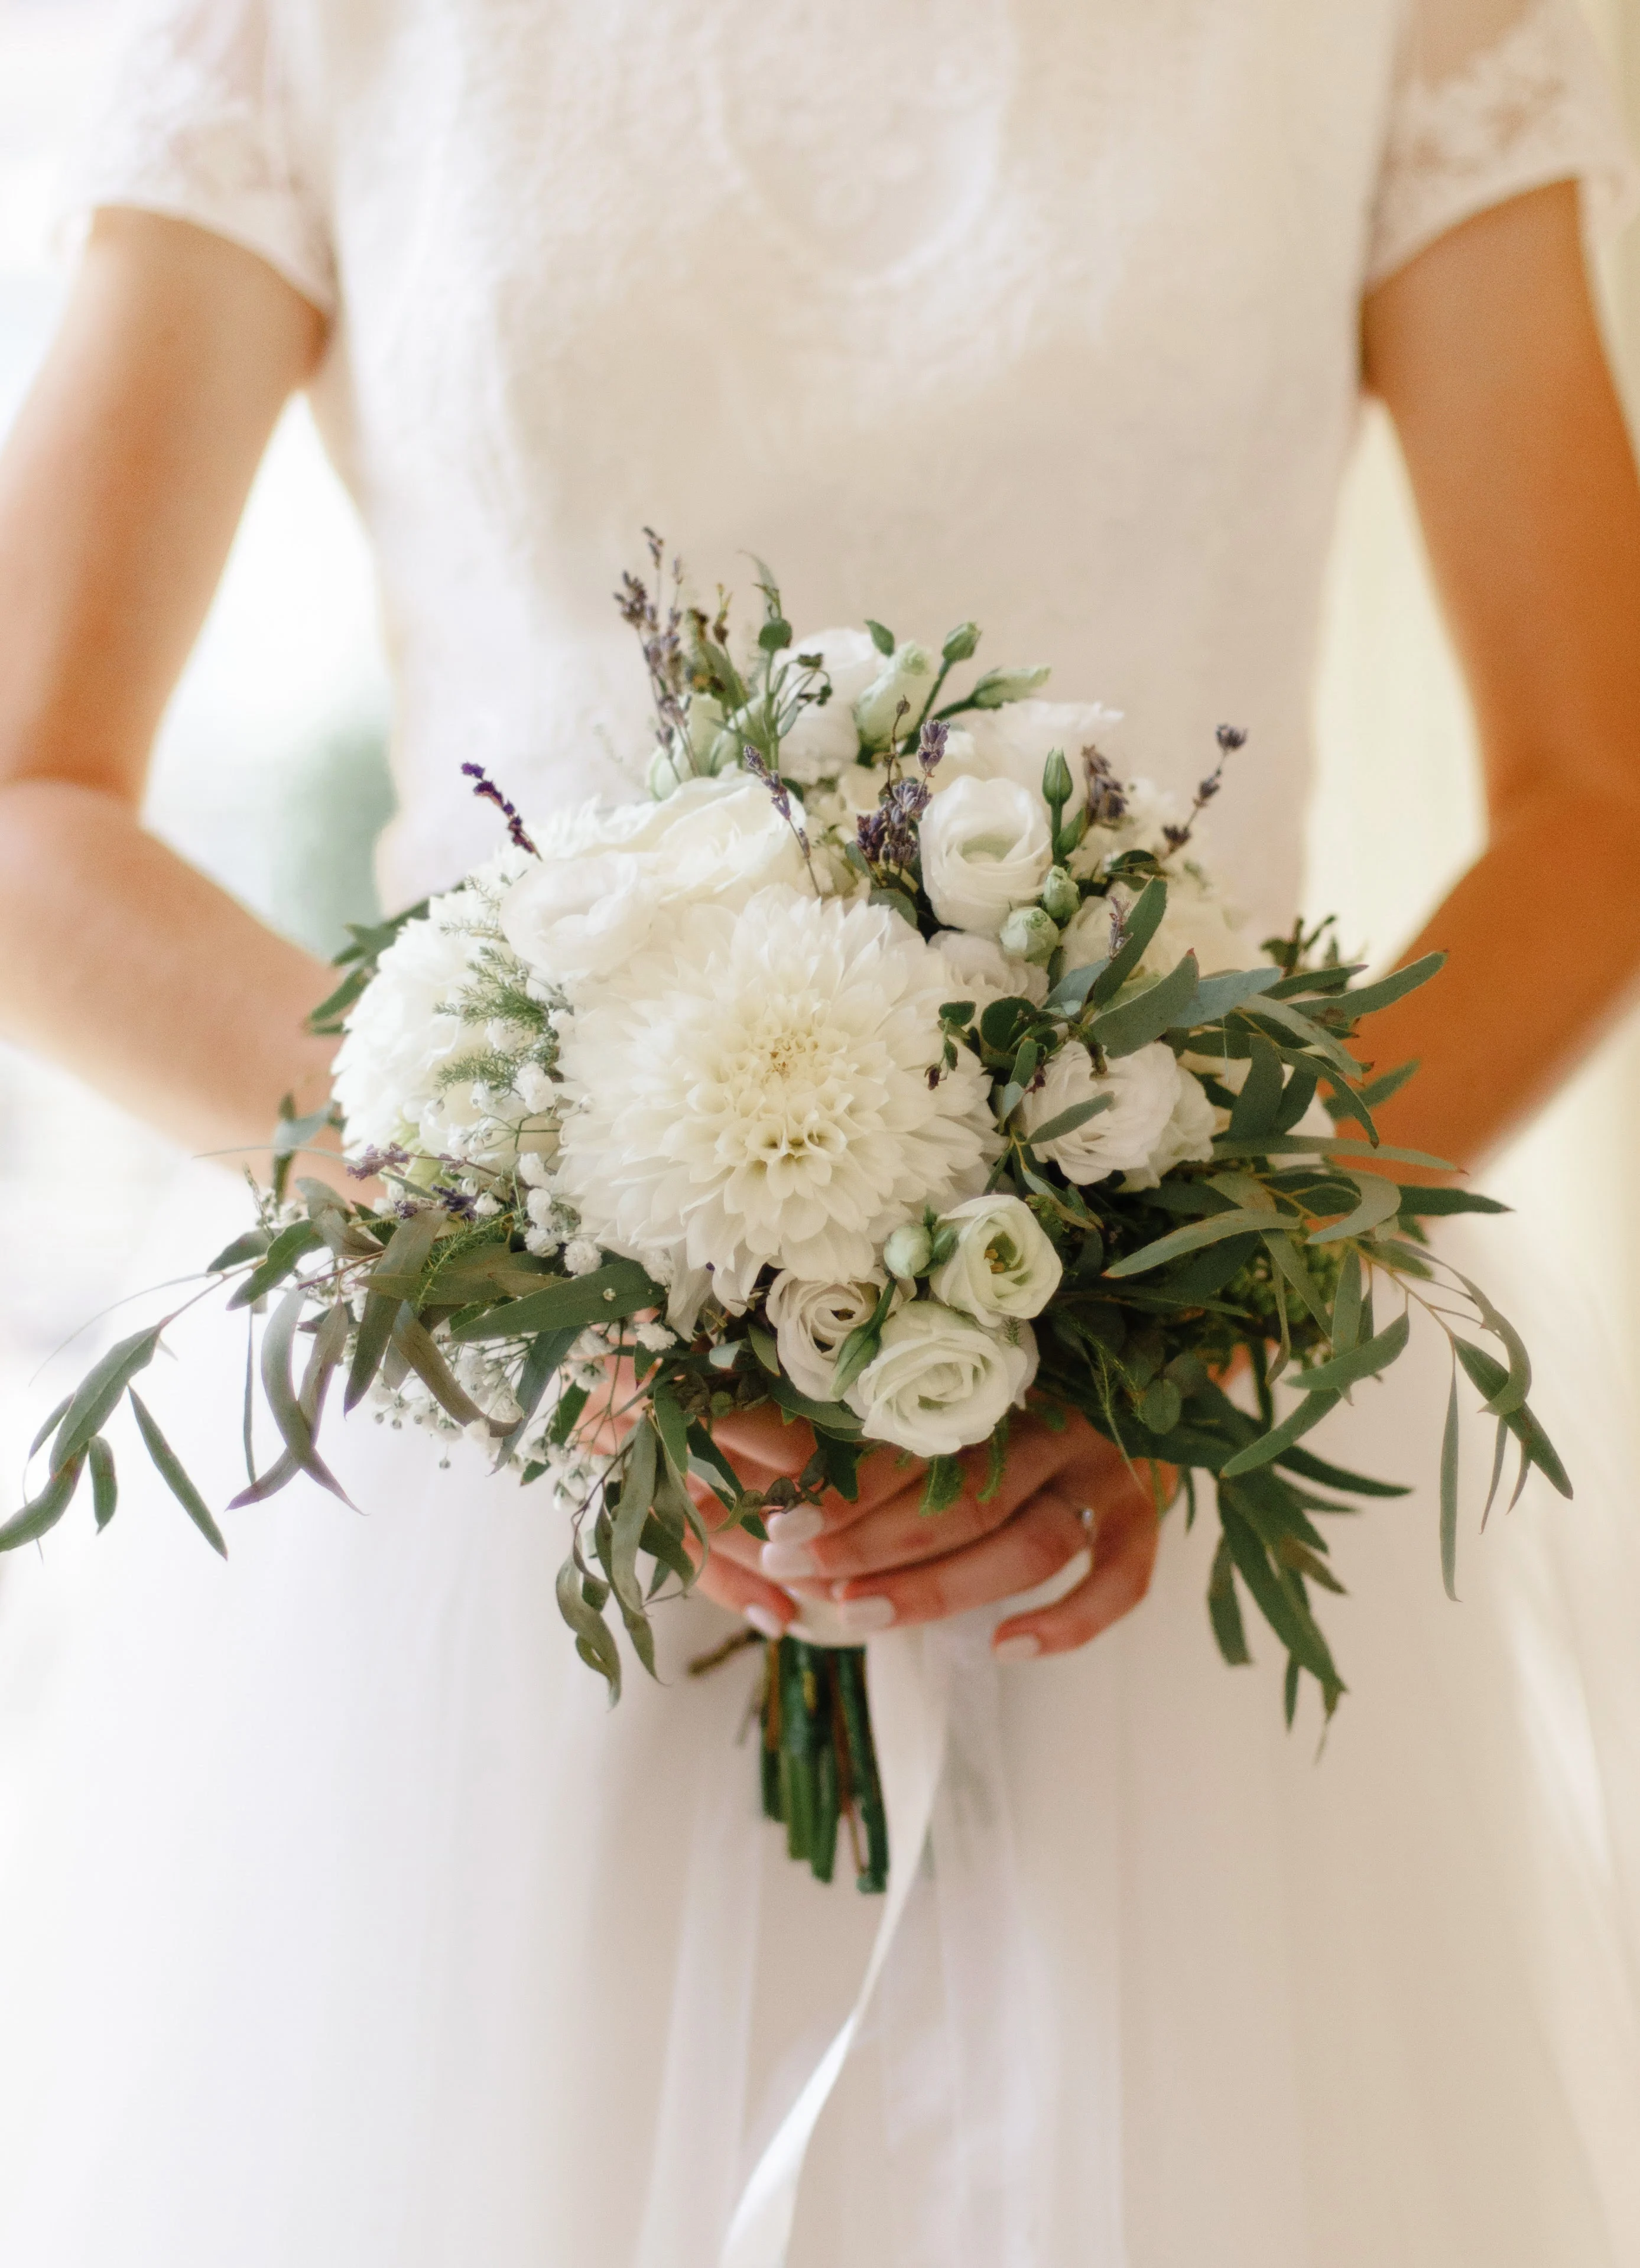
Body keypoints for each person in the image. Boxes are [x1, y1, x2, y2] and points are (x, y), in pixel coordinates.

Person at [1, 1, 1639, 2260]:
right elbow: (27, 794)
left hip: (1177, 1516)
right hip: (500, 1502)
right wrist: (503, 1250)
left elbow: (1601, 791)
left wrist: (1221, 1300)